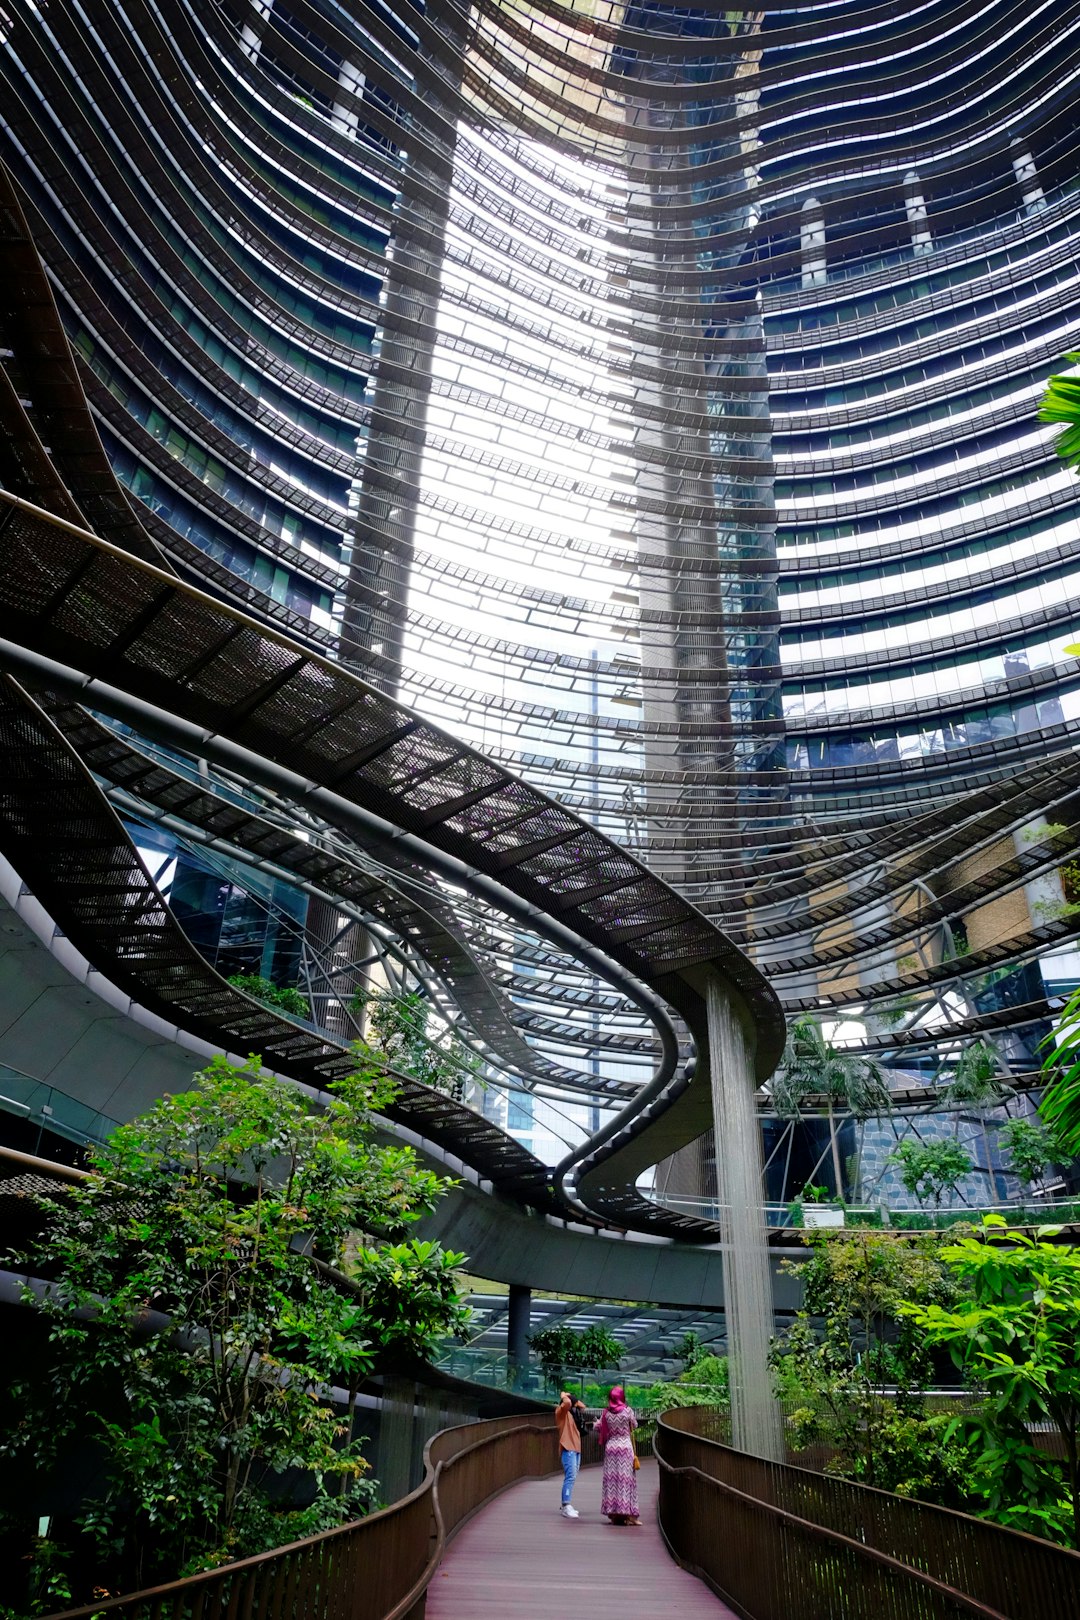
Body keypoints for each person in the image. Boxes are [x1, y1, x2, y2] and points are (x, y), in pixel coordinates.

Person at [596, 1385, 640, 1526]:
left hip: (611, 1449)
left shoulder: (606, 1413)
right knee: (626, 1481)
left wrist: (596, 1424)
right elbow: (635, 1425)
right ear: (622, 1397)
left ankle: (614, 1514)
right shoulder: (627, 1412)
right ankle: (629, 1515)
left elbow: (601, 1429)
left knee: (612, 1481)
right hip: (625, 1449)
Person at [554, 1390, 588, 1517]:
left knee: (572, 1476)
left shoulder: (573, 1413)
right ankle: (566, 1505)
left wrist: (573, 1400)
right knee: (570, 1476)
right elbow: (567, 1402)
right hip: (568, 1448)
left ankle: (566, 1503)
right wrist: (564, 1395)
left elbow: (583, 1406)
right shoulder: (561, 1412)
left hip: (576, 1448)